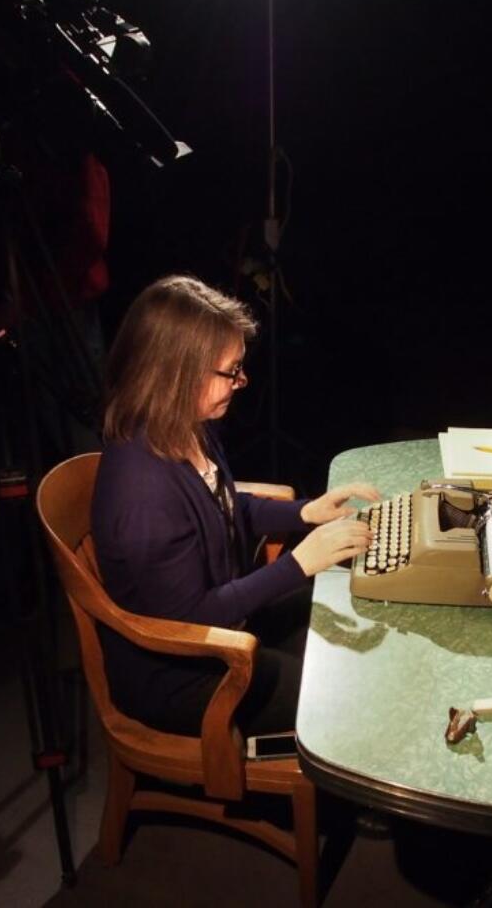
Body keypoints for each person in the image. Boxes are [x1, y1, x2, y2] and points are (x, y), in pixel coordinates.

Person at [92, 274, 378, 737]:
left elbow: (225, 507)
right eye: (230, 370)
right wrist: (299, 563)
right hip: (185, 673)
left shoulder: (184, 425)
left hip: (228, 630)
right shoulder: (143, 495)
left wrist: (305, 512)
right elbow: (193, 617)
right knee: (345, 691)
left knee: (352, 599)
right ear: (178, 372)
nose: (242, 381)